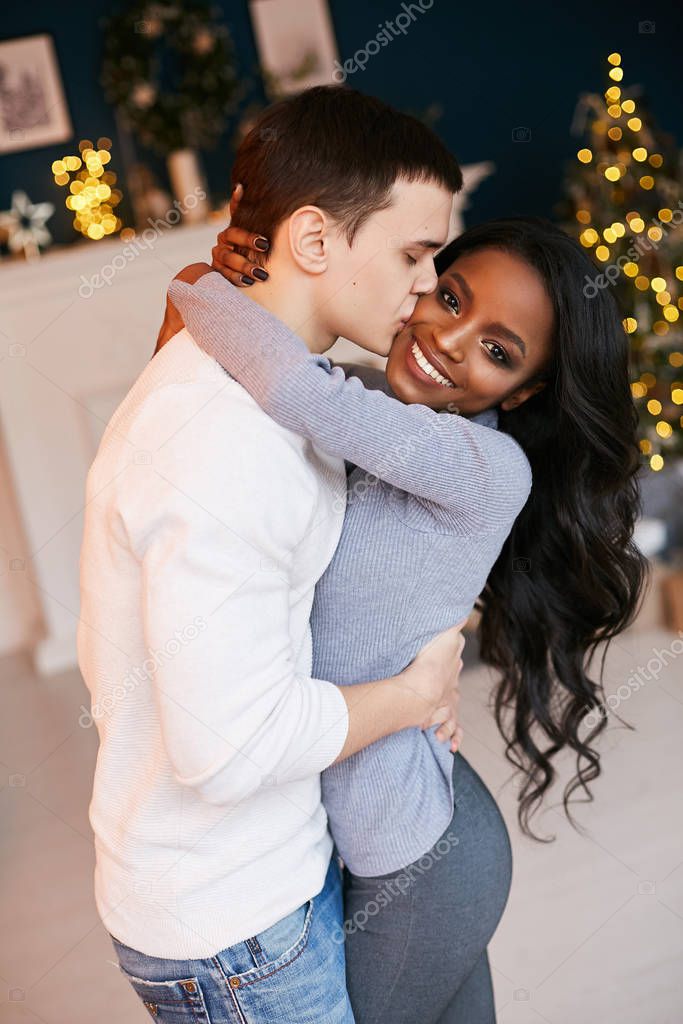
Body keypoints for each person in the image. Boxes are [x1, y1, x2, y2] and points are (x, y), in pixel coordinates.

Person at [164, 205, 648, 1022]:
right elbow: (248, 374)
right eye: (451, 299)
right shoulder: (357, 395)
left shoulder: (487, 465)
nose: (450, 342)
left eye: (499, 351)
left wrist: (193, 282)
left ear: (524, 390)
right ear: (420, 283)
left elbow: (282, 378)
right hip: (401, 824)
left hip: (420, 865)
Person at [77, 84, 467, 1024]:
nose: (426, 284)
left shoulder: (273, 387)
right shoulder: (221, 441)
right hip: (233, 927)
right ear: (316, 241)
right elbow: (229, 748)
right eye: (414, 253)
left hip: (263, 877)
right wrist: (412, 699)